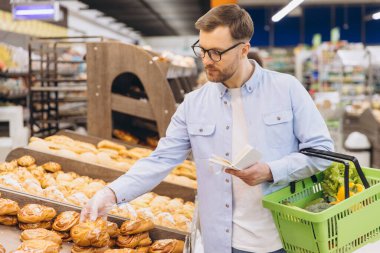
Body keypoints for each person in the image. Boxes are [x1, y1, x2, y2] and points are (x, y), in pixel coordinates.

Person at [81, 4, 334, 253]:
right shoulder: (194, 104)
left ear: (244, 49)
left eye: (216, 52)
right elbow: (160, 160)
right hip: (221, 241)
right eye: (202, 50)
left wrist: (271, 170)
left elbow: (322, 152)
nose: (206, 60)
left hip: (286, 237)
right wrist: (111, 193)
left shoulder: (287, 89)